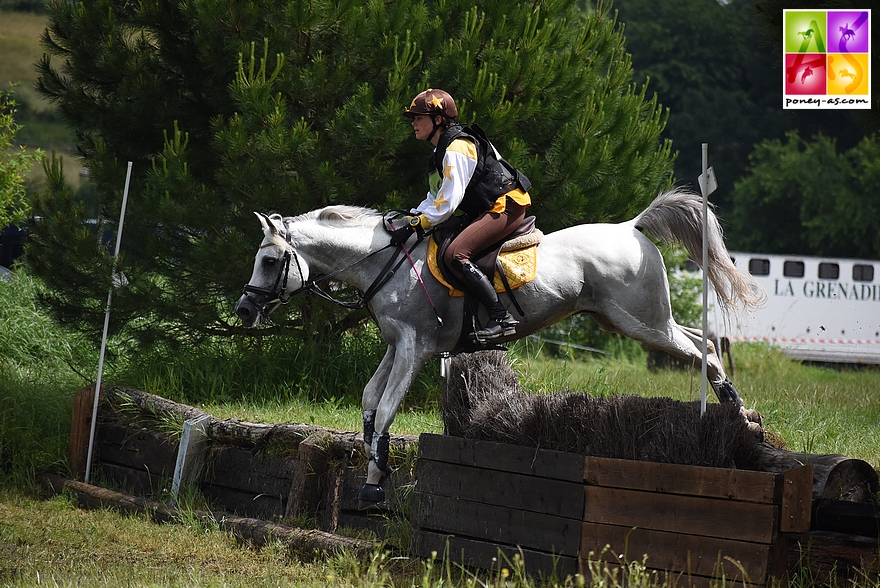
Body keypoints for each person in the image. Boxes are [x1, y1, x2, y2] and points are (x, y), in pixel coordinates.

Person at [391, 88, 532, 340]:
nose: (413, 122)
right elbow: (434, 196)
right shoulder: (439, 152)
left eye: (418, 117)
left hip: (505, 205)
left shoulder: (457, 148)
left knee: (456, 254)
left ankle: (500, 317)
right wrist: (409, 219)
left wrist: (416, 224)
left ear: (437, 120)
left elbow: (448, 203)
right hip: (489, 206)